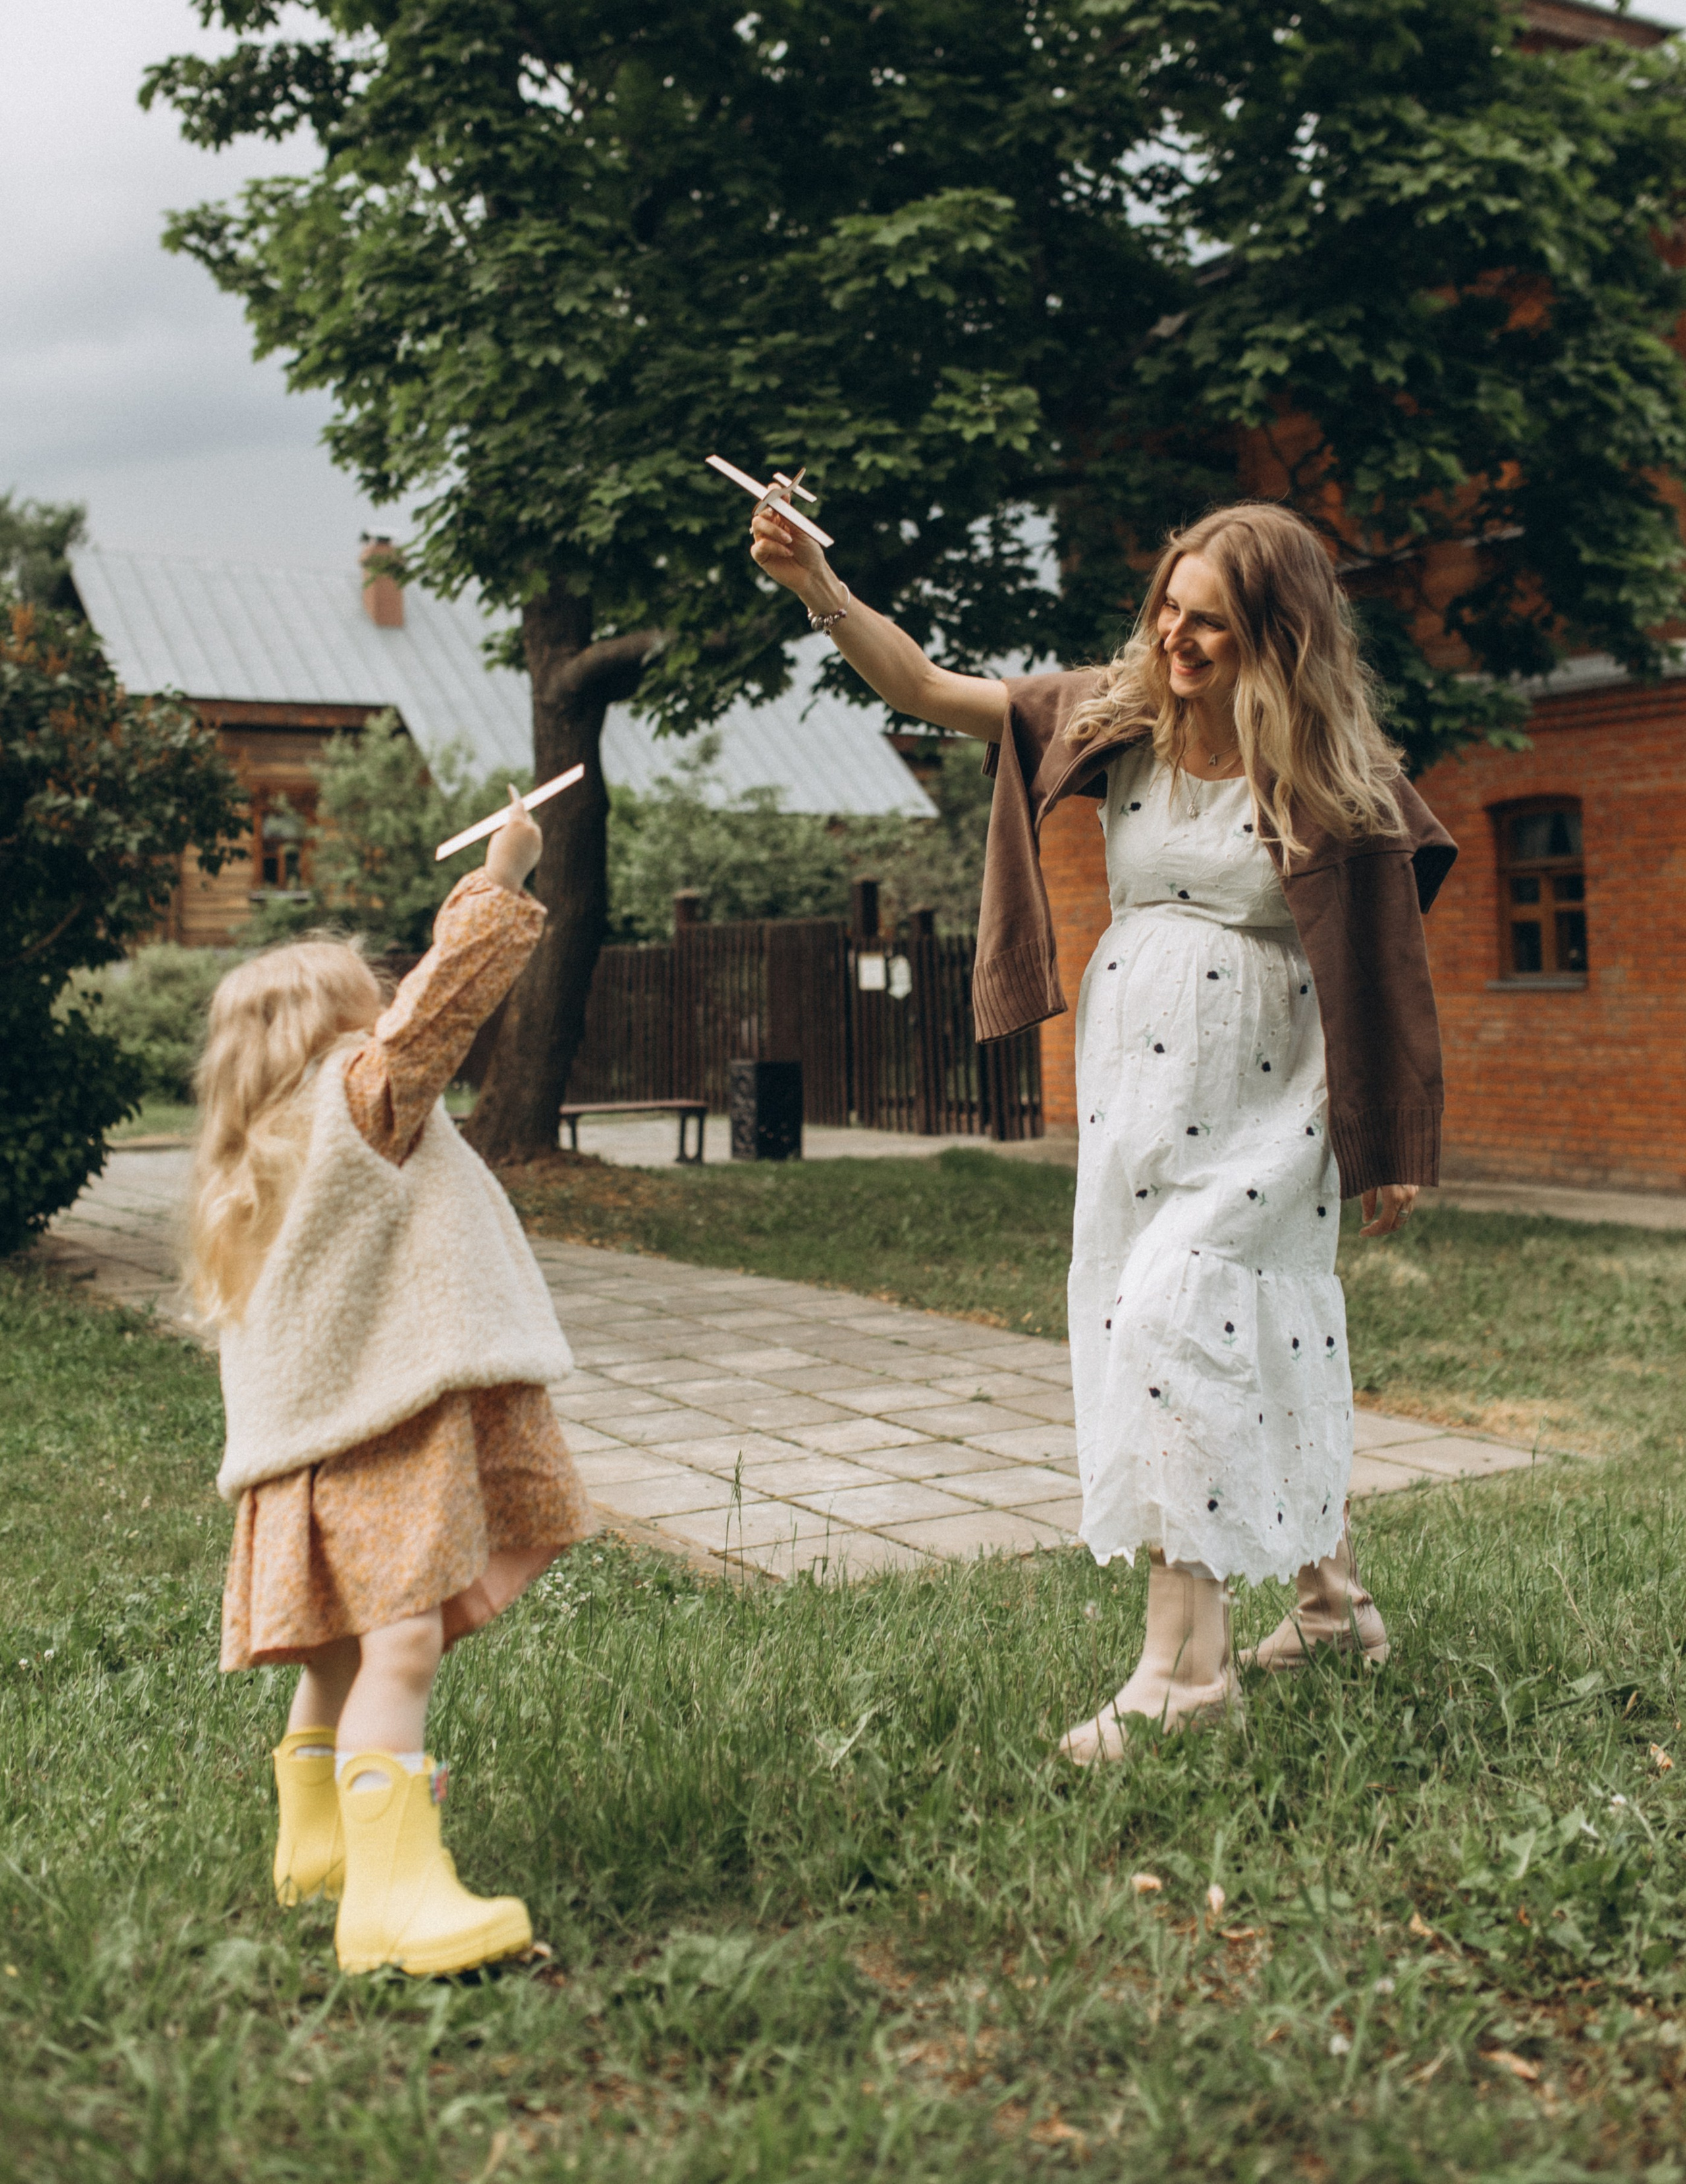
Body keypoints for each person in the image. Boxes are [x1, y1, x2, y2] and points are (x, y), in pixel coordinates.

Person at [748, 496, 1454, 1755]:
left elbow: (1389, 962)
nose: (1177, 641)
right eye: (1169, 610)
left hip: (1270, 1092)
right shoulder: (1115, 714)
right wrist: (821, 586)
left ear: (1278, 638)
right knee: (1226, 1326)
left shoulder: (1334, 770)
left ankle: (1184, 1678)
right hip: (1139, 1087)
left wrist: (1388, 1138)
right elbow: (926, 689)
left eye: (1212, 625)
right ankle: (1333, 1605)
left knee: (1187, 1322)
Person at [188, 790, 591, 1967]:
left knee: (341, 1657)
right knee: (399, 1650)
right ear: (338, 1039)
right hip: (373, 1442)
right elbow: (441, 1005)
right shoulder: (356, 1110)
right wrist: (507, 870)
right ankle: (393, 1898)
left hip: (308, 1460)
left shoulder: (257, 1165)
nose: (388, 1037)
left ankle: (316, 1847)